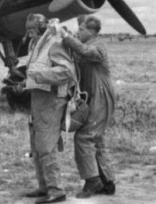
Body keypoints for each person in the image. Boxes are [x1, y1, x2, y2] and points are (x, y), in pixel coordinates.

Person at [62, 15, 117, 198]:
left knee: (84, 138)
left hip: (101, 97)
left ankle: (92, 181)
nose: (79, 32)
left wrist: (66, 37)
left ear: (92, 31)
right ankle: (107, 182)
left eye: (82, 29)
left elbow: (85, 51)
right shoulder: (85, 45)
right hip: (93, 98)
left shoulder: (98, 46)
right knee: (97, 139)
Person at [23, 14, 76, 204]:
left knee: (46, 146)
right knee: (37, 147)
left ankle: (56, 190)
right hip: (38, 99)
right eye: (28, 30)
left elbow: (67, 72)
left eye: (31, 31)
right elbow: (36, 69)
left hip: (51, 100)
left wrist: (39, 75)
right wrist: (26, 81)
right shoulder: (37, 45)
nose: (29, 35)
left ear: (42, 29)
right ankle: (44, 187)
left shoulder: (55, 43)